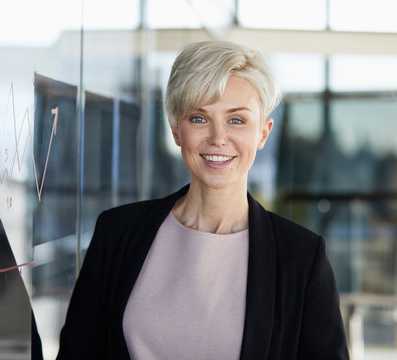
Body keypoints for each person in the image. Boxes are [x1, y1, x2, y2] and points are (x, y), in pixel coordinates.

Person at [57, 40, 349, 359]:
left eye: (236, 120)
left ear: (263, 133)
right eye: (199, 118)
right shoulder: (116, 233)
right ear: (175, 129)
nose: (217, 138)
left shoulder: (302, 259)